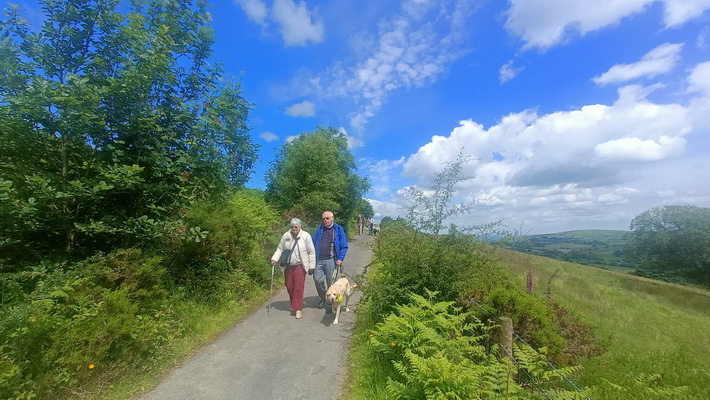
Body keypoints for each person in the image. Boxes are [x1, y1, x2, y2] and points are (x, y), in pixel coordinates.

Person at [271, 218, 315, 319]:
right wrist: (274, 259)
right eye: (292, 227)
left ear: (300, 227)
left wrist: (312, 266)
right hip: (288, 265)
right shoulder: (286, 236)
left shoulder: (306, 236)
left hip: (300, 265)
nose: (294, 229)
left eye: (296, 227)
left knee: (298, 287)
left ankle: (298, 308)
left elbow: (311, 251)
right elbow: (280, 249)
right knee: (289, 286)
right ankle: (294, 304)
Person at [311, 211, 348, 314]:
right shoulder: (320, 229)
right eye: (323, 219)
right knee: (317, 279)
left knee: (331, 283)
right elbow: (313, 242)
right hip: (319, 259)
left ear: (332, 218)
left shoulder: (338, 229)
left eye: (327, 218)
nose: (325, 221)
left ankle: (330, 303)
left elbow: (344, 246)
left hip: (332, 260)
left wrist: (340, 258)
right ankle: (324, 298)